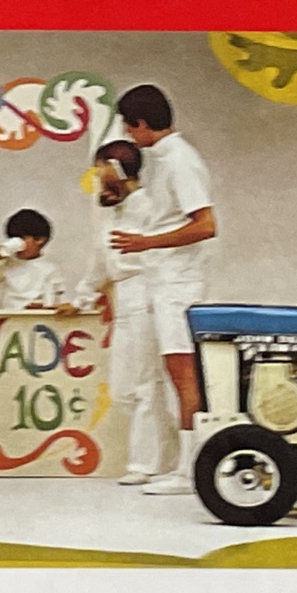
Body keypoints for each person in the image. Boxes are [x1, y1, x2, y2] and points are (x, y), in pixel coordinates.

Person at [107, 85, 221, 494]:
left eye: (129, 125)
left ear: (141, 123)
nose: (128, 133)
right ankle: (183, 465)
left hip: (178, 283)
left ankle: (190, 471)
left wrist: (146, 243)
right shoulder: (165, 160)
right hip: (164, 281)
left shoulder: (180, 161)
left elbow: (205, 225)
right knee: (174, 376)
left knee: (183, 376)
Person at [90, 139, 177, 487]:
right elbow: (101, 264)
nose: (98, 180)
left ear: (117, 170)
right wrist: (83, 297)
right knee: (123, 388)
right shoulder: (114, 213)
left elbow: (160, 258)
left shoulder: (150, 209)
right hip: (123, 297)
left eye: (102, 172)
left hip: (144, 294)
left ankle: (146, 463)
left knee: (146, 383)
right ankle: (168, 453)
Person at [0, 208, 71, 309]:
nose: (18, 244)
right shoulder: (6, 264)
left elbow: (56, 301)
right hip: (7, 316)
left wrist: (41, 307)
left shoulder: (50, 268)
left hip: (35, 317)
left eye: (22, 239)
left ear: (39, 240)